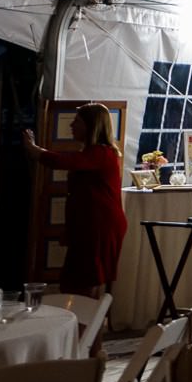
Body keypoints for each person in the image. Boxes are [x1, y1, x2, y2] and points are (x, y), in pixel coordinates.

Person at [21, 103, 125, 348]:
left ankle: (84, 346)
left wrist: (35, 150)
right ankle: (89, 346)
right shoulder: (97, 152)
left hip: (98, 227)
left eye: (76, 121)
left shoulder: (100, 152)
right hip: (94, 225)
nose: (71, 125)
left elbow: (63, 161)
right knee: (83, 285)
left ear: (91, 126)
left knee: (84, 287)